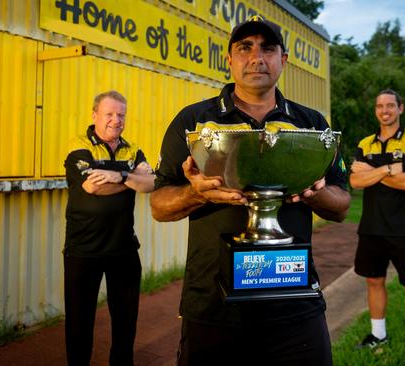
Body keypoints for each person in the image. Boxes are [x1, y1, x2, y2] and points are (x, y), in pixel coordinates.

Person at [150, 15, 351, 366]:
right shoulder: (194, 122)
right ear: (229, 59)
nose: (257, 57)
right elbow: (159, 206)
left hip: (294, 301)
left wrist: (313, 192)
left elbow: (342, 205)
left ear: (283, 60)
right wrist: (198, 193)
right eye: (245, 48)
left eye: (268, 48)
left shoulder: (311, 124)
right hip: (214, 304)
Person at [63, 90, 155, 365]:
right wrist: (131, 179)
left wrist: (120, 174)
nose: (116, 120)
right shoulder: (78, 146)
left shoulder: (132, 148)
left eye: (121, 115)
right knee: (80, 325)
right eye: (109, 114)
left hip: (123, 250)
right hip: (83, 251)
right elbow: (93, 187)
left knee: (126, 325)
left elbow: (151, 183)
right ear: (94, 116)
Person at [349, 89, 405, 365]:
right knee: (374, 281)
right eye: (379, 106)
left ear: (400, 108)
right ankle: (378, 334)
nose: (384, 110)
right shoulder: (365, 143)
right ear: (375, 110)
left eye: (390, 105)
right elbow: (355, 182)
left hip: (403, 227)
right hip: (371, 226)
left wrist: (372, 171)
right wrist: (389, 169)